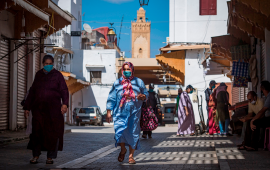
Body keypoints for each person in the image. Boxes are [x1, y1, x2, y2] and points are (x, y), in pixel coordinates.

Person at [23, 55, 69, 164]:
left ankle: (50, 157)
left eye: (50, 63)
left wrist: (65, 104)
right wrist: (27, 107)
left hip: (53, 112)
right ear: (43, 64)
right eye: (46, 63)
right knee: (36, 133)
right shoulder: (38, 75)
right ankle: (35, 156)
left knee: (52, 134)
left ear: (53, 64)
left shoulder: (58, 75)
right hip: (38, 111)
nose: (48, 65)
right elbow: (32, 91)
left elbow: (64, 90)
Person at [106, 62, 148, 164]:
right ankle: (123, 149)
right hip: (119, 112)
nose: (127, 71)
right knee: (119, 131)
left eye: (128, 69)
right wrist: (108, 112)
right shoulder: (117, 83)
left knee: (133, 132)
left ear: (132, 70)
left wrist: (143, 96)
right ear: (122, 70)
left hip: (134, 112)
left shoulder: (139, 82)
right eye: (125, 69)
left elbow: (145, 94)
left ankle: (131, 156)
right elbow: (112, 97)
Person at [245, 81, 270, 151]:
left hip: (268, 118)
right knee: (251, 121)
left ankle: (254, 146)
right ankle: (247, 144)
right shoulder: (267, 97)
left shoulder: (267, 98)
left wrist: (253, 120)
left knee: (255, 122)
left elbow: (262, 111)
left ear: (262, 89)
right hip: (267, 118)